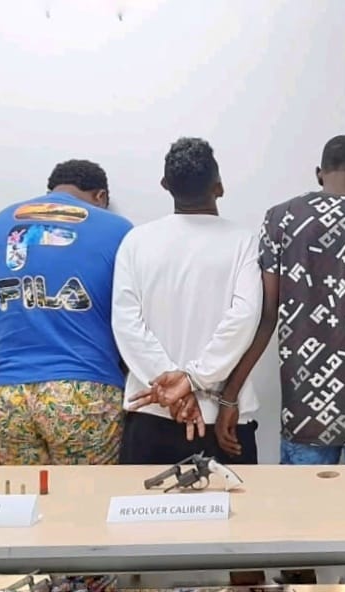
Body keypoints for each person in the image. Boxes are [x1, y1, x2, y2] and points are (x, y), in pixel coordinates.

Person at [222, 135, 345, 584]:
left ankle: (299, 586)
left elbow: (266, 317)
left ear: (318, 174)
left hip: (306, 404)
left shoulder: (280, 219)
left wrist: (230, 394)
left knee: (298, 522)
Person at [114, 137, 262, 465]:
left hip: (153, 410)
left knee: (141, 501)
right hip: (223, 419)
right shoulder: (244, 242)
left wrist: (174, 388)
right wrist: (192, 381)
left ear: (165, 185)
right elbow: (244, 318)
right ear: (219, 187)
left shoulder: (135, 242)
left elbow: (127, 325)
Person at [0, 160, 132, 465]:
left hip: (8, 393)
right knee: (88, 493)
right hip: (84, 390)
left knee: (23, 494)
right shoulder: (118, 230)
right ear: (100, 196)